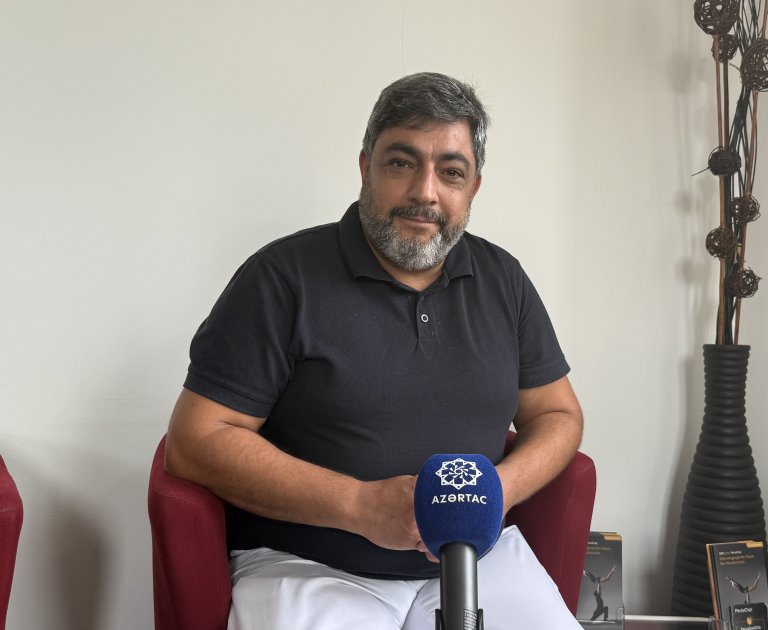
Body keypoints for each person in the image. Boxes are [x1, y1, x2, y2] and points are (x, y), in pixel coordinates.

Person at [165, 71, 584, 630]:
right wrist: (360, 507)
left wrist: (498, 492)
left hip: (479, 561)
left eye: (451, 172)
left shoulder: (504, 280)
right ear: (366, 167)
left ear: (473, 187)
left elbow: (557, 414)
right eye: (402, 163)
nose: (425, 193)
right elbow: (194, 442)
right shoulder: (280, 277)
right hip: (309, 564)